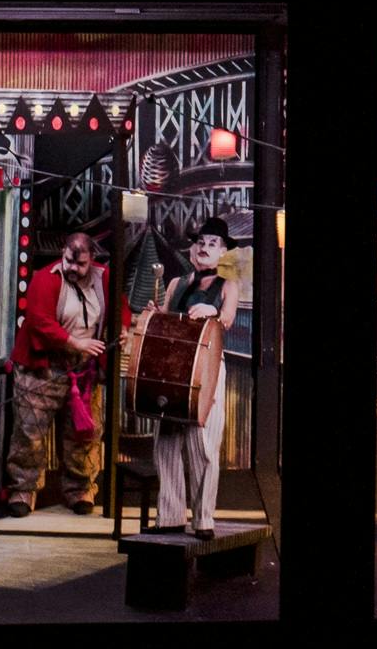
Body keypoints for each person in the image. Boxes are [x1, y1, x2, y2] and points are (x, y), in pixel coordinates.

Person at [7, 231, 114, 517]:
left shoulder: (104, 278)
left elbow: (120, 310)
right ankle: (23, 488)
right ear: (63, 252)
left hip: (84, 370)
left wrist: (123, 329)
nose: (72, 268)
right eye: (68, 260)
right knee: (30, 431)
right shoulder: (45, 277)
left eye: (79, 264)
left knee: (83, 433)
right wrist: (76, 342)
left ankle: (80, 488)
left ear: (91, 258)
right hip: (43, 369)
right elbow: (39, 321)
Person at [149, 216, 240, 539]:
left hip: (207, 369)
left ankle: (203, 519)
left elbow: (227, 317)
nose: (204, 247)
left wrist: (212, 311)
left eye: (212, 243)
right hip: (173, 369)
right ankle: (170, 515)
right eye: (200, 241)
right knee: (167, 442)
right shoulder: (176, 284)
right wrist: (155, 315)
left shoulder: (227, 285)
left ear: (223, 252)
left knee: (202, 445)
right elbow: (164, 321)